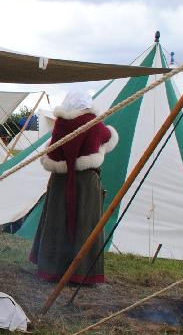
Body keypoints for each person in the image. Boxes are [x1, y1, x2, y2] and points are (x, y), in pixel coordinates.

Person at [29, 90, 119, 285]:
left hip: (60, 181)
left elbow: (52, 152)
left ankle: (52, 270)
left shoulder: (61, 124)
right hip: (86, 182)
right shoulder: (94, 122)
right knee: (85, 224)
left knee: (57, 222)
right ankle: (82, 273)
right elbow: (108, 137)